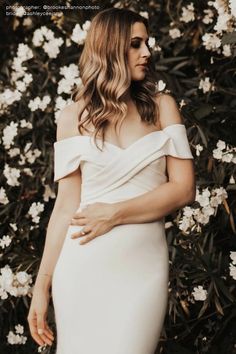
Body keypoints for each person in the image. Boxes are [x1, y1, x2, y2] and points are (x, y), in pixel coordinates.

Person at [27, 7, 195, 354]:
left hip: (143, 272)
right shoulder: (73, 116)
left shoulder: (163, 106)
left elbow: (183, 189)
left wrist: (115, 213)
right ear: (109, 48)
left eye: (146, 42)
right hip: (81, 267)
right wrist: (41, 287)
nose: (147, 52)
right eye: (135, 44)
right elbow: (65, 208)